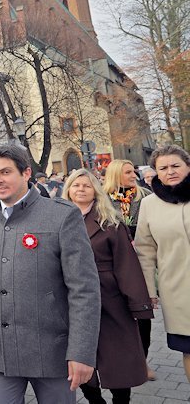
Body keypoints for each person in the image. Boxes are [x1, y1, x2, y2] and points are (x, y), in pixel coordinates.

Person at [0, 144, 100, 403]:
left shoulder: (61, 216)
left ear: (26, 173)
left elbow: (84, 290)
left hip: (51, 352)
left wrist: (82, 352)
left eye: (5, 172)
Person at [63, 169, 153, 403]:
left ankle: (121, 400)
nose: (81, 189)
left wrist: (138, 303)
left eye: (86, 185)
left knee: (119, 359)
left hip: (110, 299)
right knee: (81, 356)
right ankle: (94, 400)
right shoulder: (58, 221)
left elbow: (126, 264)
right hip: (72, 300)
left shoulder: (110, 221)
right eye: (76, 185)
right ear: (68, 190)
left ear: (96, 190)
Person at [135, 145, 190, 382]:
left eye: (176, 165)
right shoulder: (150, 204)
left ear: (187, 166)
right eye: (163, 168)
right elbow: (145, 251)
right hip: (178, 292)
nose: (170, 171)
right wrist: (149, 290)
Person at [103, 158, 156, 380]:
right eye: (128, 172)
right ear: (116, 175)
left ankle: (142, 361)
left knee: (142, 314)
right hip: (116, 265)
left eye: (133, 172)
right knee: (121, 316)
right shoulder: (104, 199)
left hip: (141, 263)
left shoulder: (144, 196)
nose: (133, 175)